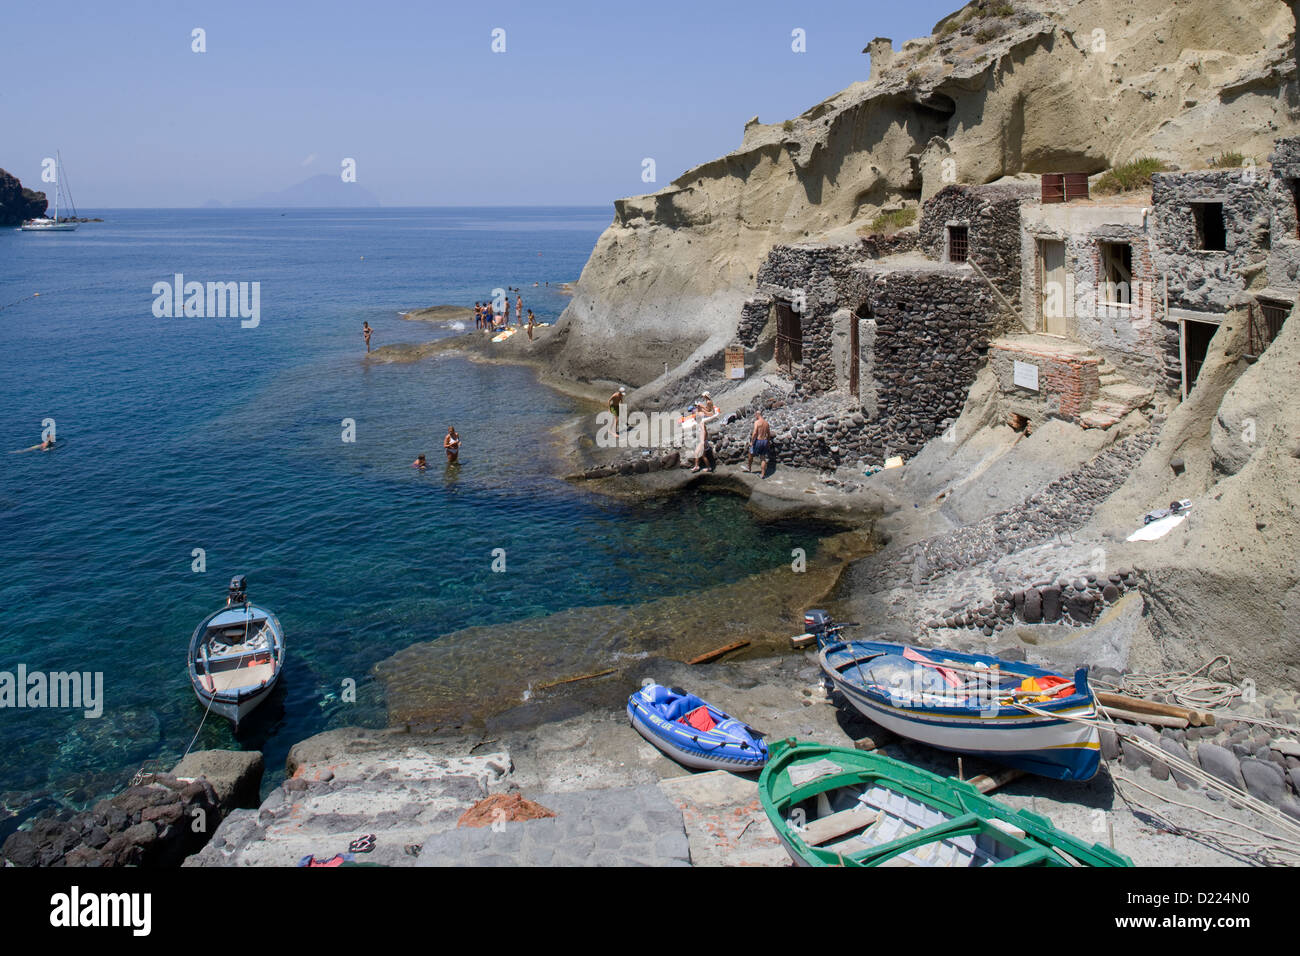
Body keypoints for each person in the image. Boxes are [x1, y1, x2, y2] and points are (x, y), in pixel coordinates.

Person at [746, 411, 773, 477]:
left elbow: (755, 433)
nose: (755, 416)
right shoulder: (766, 423)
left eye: (755, 415)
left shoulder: (757, 422)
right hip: (765, 441)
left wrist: (752, 442)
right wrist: (768, 442)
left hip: (758, 440)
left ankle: (749, 468)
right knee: (763, 458)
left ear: (758, 415)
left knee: (750, 453)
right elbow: (768, 434)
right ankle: (762, 474)